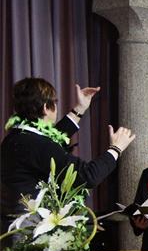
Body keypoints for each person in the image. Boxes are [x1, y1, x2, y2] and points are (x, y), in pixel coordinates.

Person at [1, 77, 135, 233]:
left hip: (12, 227)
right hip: (30, 232)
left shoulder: (16, 137)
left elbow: (53, 140)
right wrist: (116, 148)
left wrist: (80, 108)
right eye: (54, 103)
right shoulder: (38, 144)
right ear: (45, 108)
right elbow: (87, 176)